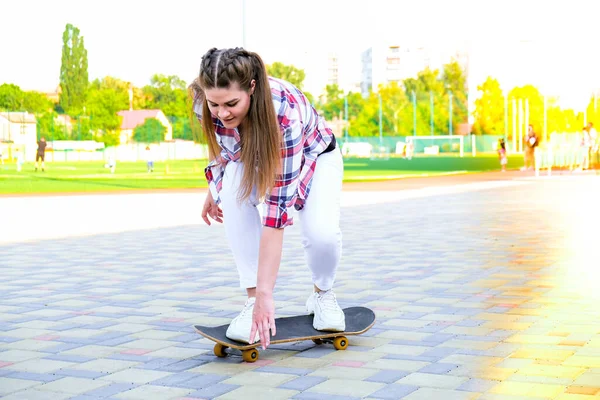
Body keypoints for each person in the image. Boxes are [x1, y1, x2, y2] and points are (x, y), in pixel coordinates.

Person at [189, 47, 345, 350]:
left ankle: (323, 295)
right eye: (214, 104)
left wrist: (267, 295)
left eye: (231, 103)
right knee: (232, 197)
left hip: (314, 155)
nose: (222, 113)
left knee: (322, 234)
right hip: (249, 155)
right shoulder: (203, 102)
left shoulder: (282, 114)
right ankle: (249, 303)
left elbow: (276, 215)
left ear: (251, 87)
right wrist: (213, 187)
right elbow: (218, 143)